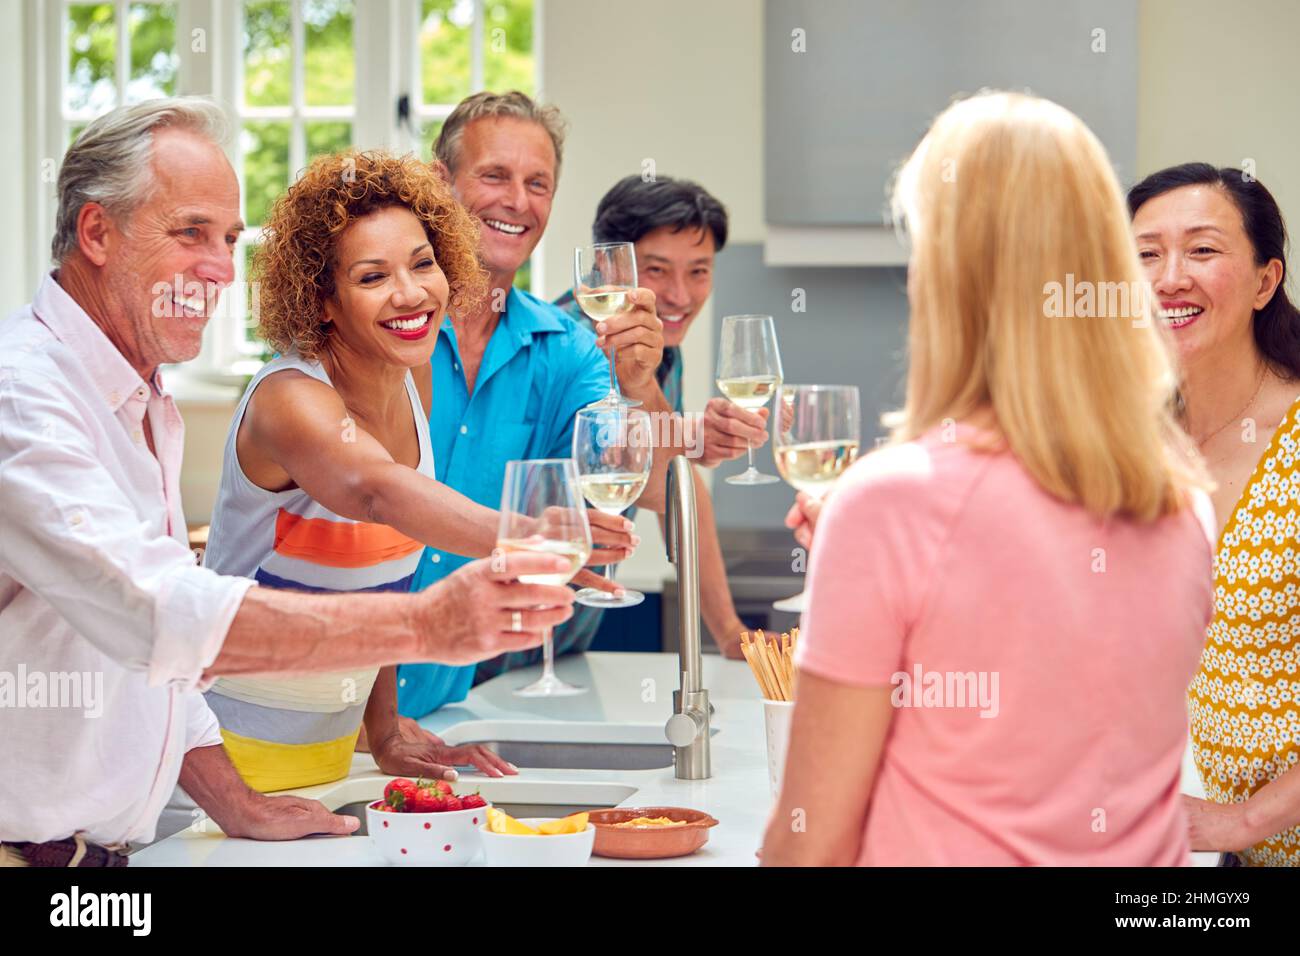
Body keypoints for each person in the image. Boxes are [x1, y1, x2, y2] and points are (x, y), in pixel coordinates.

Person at [0, 98, 575, 866]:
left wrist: (238, 805)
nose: (217, 266)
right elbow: (159, 613)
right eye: (189, 233)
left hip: (99, 857)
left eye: (229, 239)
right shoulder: (24, 394)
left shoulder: (141, 403)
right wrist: (430, 625)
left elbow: (156, 668)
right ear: (97, 233)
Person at [762, 92, 1216, 866]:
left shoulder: (892, 506)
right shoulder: (1185, 505)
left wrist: (879, 533)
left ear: (949, 277)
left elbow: (810, 848)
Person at [397, 92, 750, 716]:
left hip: (499, 673)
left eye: (538, 183)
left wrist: (649, 395)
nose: (517, 200)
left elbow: (659, 484)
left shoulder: (570, 352)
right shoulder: (392, 325)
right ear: (439, 183)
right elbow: (364, 498)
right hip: (361, 681)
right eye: (495, 175)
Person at [510, 175, 765, 672]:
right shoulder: (572, 346)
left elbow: (678, 487)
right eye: (656, 270)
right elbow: (659, 484)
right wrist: (688, 439)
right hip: (503, 639)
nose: (679, 295)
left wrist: (730, 634)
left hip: (563, 641)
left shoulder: (660, 352)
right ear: (609, 267)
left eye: (699, 271)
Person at [1130, 164, 1300, 866]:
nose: (1170, 278)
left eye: (1202, 250)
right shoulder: (1143, 444)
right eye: (1145, 255)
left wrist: (1242, 820)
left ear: (1266, 280)